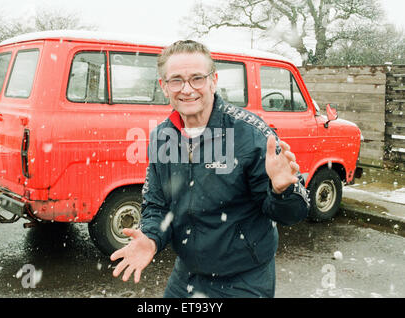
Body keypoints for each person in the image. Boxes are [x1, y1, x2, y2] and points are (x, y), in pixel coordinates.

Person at [110, 40, 309, 298]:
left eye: (197, 79)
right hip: (188, 274)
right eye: (176, 80)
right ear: (163, 86)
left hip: (245, 278)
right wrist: (150, 238)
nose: (187, 89)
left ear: (213, 80)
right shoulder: (162, 136)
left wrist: (282, 190)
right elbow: (157, 205)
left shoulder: (249, 134)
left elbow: (293, 214)